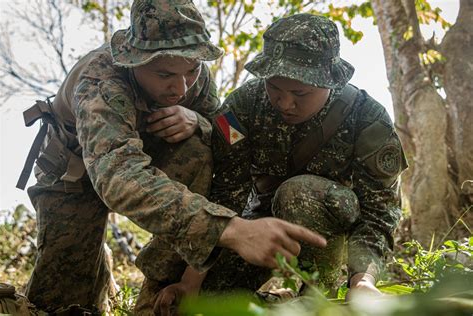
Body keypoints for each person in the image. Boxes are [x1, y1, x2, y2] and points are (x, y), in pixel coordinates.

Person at [17, 1, 326, 314]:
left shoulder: (194, 74)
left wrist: (201, 122)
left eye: (190, 71)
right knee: (58, 306)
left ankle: (157, 299)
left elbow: (227, 127)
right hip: (76, 176)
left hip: (148, 165)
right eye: (164, 74)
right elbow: (118, 177)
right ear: (134, 61)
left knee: (196, 152)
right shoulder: (101, 82)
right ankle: (93, 259)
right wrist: (230, 230)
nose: (180, 87)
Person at [141, 13, 408, 315]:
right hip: (261, 228)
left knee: (298, 191)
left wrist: (363, 280)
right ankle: (276, 303)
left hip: (337, 231)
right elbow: (227, 193)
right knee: (208, 298)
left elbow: (379, 213)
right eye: (275, 89)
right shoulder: (237, 111)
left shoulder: (369, 119)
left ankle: (319, 296)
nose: (284, 103)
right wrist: (192, 281)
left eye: (300, 93)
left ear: (330, 82)